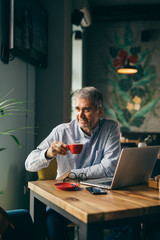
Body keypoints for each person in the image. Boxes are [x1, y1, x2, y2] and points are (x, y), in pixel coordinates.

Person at [25, 86, 140, 240]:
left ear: (99, 111)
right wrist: (48, 154)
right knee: (51, 220)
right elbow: (29, 164)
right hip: (67, 197)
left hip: (101, 197)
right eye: (77, 109)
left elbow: (110, 168)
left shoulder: (110, 128)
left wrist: (72, 174)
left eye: (86, 109)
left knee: (130, 225)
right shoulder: (62, 131)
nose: (80, 115)